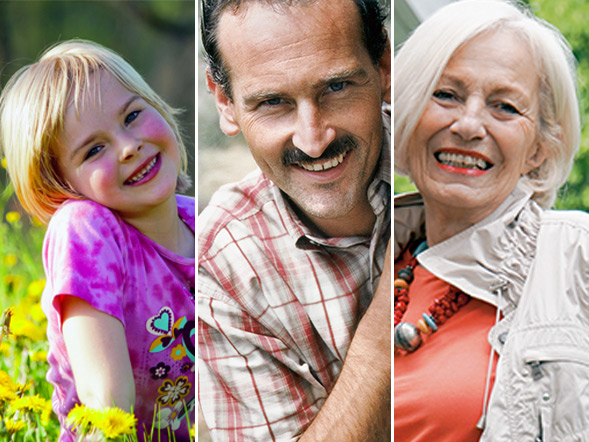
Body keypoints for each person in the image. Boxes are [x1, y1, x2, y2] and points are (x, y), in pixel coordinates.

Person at [394, 0, 589, 440]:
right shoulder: (365, 262)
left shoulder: (575, 258)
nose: (468, 125)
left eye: (504, 106)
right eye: (445, 94)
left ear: (539, 148)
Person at [198, 0, 391, 440]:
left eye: (337, 87)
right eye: (272, 102)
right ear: (226, 103)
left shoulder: (442, 165)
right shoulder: (222, 268)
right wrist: (383, 334)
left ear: (383, 67)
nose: (313, 139)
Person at [0, 40, 195, 441]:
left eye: (134, 115)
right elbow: (107, 404)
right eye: (94, 150)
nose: (129, 147)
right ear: (60, 188)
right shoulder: (86, 229)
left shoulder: (209, 221)